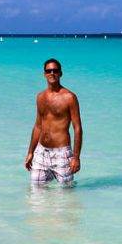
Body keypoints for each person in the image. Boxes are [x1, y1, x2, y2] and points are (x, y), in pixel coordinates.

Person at [25, 58, 82, 186]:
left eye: (55, 70)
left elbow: (77, 128)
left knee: (65, 197)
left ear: (60, 73)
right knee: (35, 196)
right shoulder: (40, 97)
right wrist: (30, 152)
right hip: (41, 153)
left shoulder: (69, 98)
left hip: (62, 154)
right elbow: (38, 126)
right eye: (49, 71)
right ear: (44, 74)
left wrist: (76, 157)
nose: (52, 73)